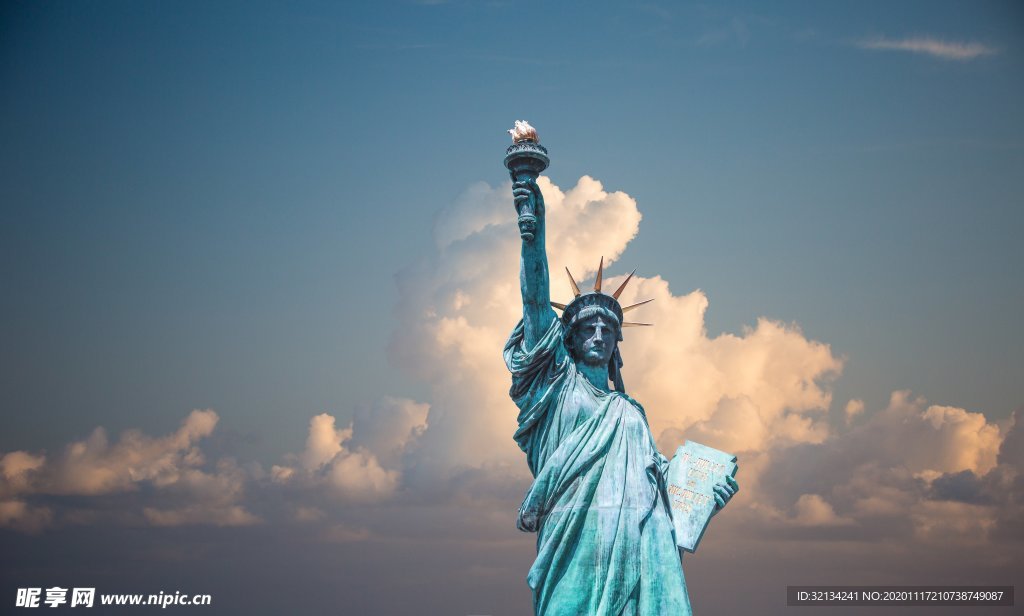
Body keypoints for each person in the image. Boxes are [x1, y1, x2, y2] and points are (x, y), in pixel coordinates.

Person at [504, 178, 738, 615]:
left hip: (638, 540)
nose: (597, 335)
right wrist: (531, 233)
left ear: (616, 343)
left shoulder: (629, 411)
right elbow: (535, 300)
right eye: (587, 329)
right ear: (568, 340)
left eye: (607, 330)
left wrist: (704, 494)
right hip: (573, 536)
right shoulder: (556, 386)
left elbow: (658, 484)